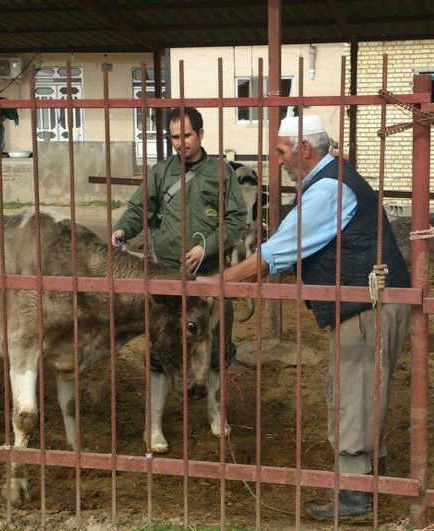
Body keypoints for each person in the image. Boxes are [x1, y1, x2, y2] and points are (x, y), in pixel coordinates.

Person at [200, 115, 410, 520]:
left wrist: (216, 283)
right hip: (367, 305)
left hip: (364, 308)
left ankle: (356, 497)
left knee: (352, 396)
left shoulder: (328, 189)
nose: (276, 160)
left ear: (305, 151)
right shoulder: (330, 180)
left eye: (281, 151)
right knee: (364, 393)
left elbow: (276, 253)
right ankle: (371, 480)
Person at [112, 107, 247, 452]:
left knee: (217, 346)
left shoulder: (221, 174)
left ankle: (216, 413)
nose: (180, 143)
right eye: (174, 137)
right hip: (167, 281)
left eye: (186, 135)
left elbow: (235, 221)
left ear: (200, 134)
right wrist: (124, 227)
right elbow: (138, 209)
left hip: (211, 276)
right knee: (161, 350)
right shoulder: (160, 173)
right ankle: (153, 426)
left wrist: (208, 247)